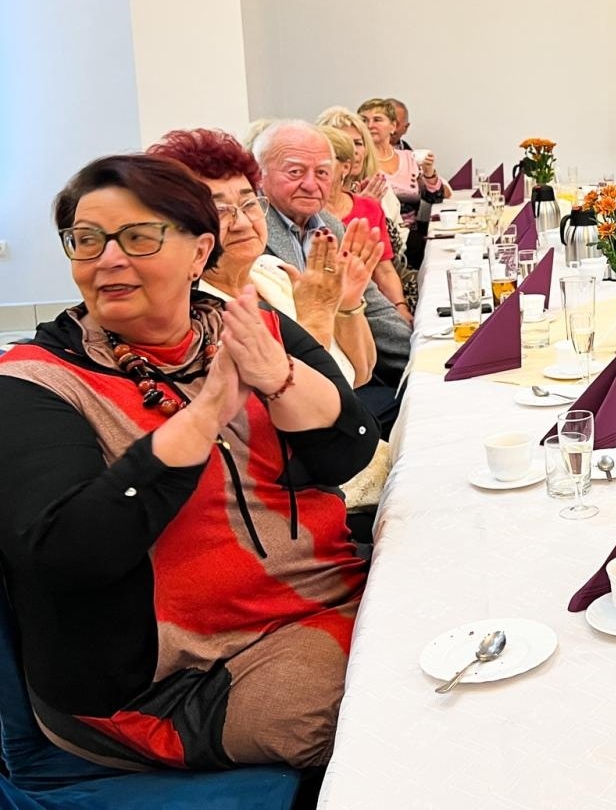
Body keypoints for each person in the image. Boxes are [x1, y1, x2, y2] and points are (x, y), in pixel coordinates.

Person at [0, 154, 377, 769]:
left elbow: (348, 447)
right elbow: (66, 548)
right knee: (378, 707)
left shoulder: (248, 328)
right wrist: (201, 419)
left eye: (139, 238)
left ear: (201, 252)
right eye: (87, 240)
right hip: (176, 680)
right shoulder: (35, 382)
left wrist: (277, 376)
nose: (108, 259)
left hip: (323, 590)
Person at [146, 127, 378, 389]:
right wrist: (316, 317)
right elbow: (283, 408)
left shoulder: (272, 272)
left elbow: (360, 374)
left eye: (248, 204)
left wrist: (348, 304)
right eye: (220, 210)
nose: (243, 223)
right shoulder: (194, 316)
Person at [254, 121, 413, 392]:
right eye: (295, 172)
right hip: (301, 388)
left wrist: (419, 358)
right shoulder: (251, 233)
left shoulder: (329, 225)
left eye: (323, 173)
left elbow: (373, 306)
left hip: (353, 372)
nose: (311, 184)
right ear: (259, 175)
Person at [318, 126, 411, 315]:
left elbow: (384, 270)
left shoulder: (368, 207)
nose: (319, 168)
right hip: (329, 306)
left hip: (374, 303)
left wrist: (400, 307)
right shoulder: (309, 212)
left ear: (345, 167)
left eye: (327, 160)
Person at [358, 97, 448, 227]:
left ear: (393, 126)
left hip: (413, 234)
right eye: (364, 120)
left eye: (377, 120)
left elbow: (435, 198)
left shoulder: (408, 158)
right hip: (377, 233)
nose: (370, 125)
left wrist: (429, 171)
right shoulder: (357, 161)